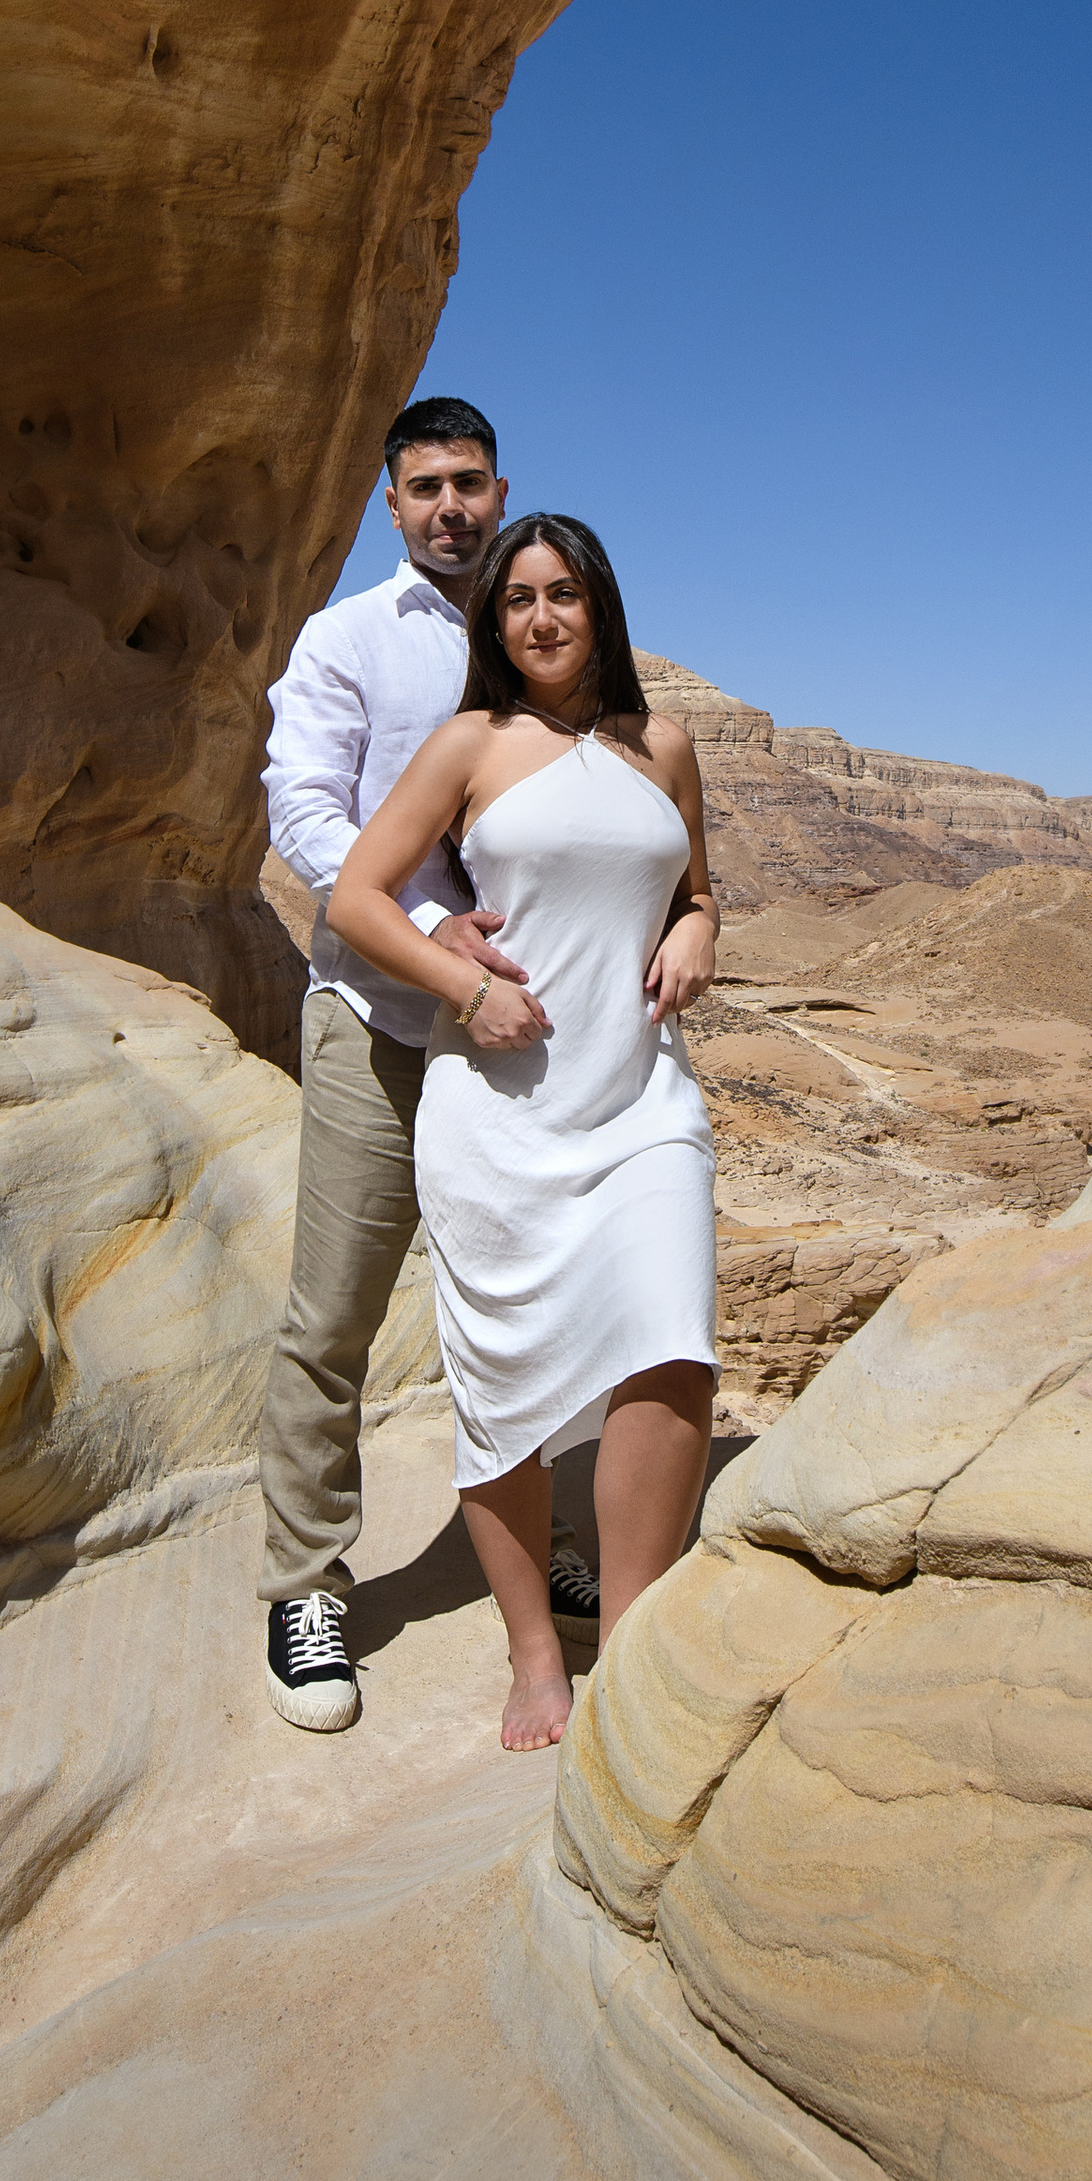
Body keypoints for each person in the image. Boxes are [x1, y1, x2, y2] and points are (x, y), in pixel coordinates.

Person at [328, 513, 720, 1752]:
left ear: (600, 604)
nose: (542, 619)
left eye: (563, 594)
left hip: (642, 1097)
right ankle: (537, 1654)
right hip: (499, 1112)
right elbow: (354, 897)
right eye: (516, 600)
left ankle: (635, 1636)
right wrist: (464, 988)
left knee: (670, 1344)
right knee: (502, 1387)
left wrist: (701, 926)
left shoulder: (663, 744)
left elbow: (695, 887)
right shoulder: (469, 744)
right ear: (493, 622)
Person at [258, 396, 585, 1734]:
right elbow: (301, 809)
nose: (451, 506)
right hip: (381, 1016)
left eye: (470, 482)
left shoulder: (539, 633)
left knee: (528, 1300)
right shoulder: (348, 640)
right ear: (390, 503)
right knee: (333, 1315)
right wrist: (422, 924)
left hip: (522, 1030)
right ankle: (306, 1582)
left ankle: (545, 1540)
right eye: (426, 486)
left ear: (500, 490)